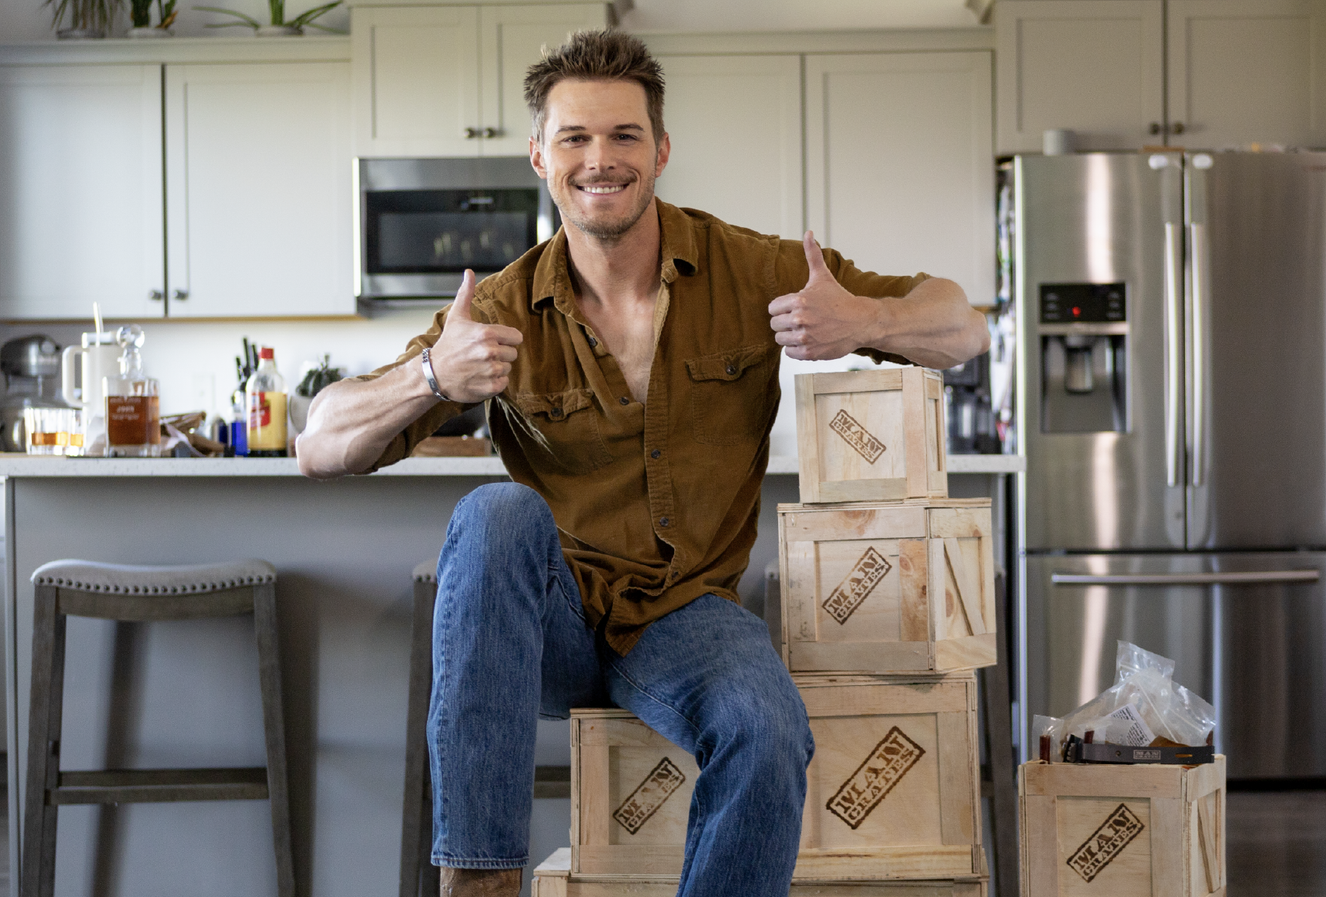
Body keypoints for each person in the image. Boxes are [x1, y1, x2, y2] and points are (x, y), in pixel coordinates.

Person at [296, 29, 989, 897]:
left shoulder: (753, 270)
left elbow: (962, 323)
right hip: (550, 626)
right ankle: (481, 885)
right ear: (542, 158)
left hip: (688, 618)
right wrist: (431, 373)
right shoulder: (501, 307)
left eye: (624, 136)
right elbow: (317, 443)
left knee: (768, 727)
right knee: (494, 514)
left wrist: (865, 322)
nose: (601, 159)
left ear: (660, 151)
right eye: (576, 139)